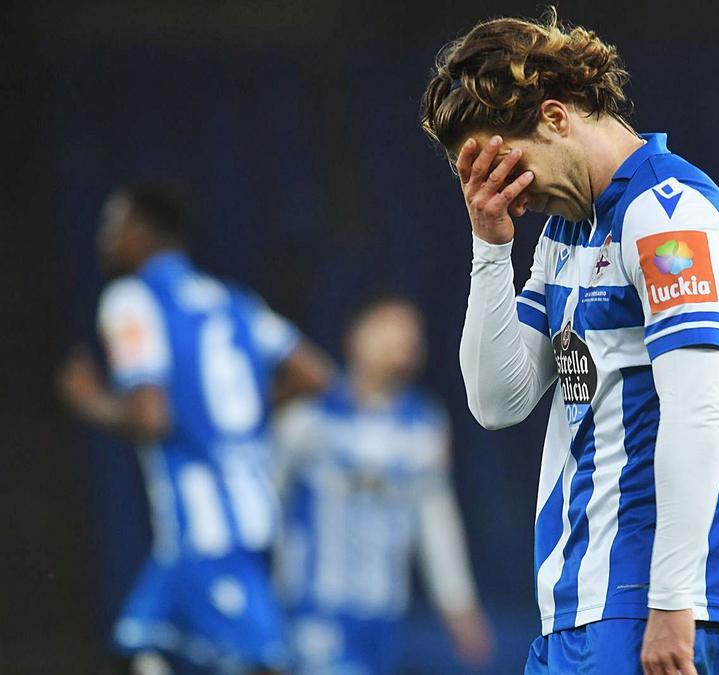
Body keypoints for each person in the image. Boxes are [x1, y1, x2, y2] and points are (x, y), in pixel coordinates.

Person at [419, 10, 719, 675]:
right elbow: (498, 399)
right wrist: (490, 248)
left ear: (555, 117)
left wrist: (671, 601)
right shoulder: (567, 234)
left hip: (649, 602)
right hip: (579, 598)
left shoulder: (667, 215)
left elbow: (697, 411)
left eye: (511, 165)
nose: (515, 190)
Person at [59, 184, 333, 674]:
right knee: (141, 651)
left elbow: (150, 415)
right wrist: (243, 414)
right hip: (242, 514)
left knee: (260, 665)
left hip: (206, 530)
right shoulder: (233, 301)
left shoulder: (130, 299)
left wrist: (91, 401)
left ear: (141, 233)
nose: (103, 239)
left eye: (112, 225)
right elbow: (315, 373)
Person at [272, 296, 494, 674]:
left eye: (411, 334)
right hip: (315, 608)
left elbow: (435, 520)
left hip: (384, 613)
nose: (401, 341)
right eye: (388, 328)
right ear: (356, 337)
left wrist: (458, 604)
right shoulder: (308, 420)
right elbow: (263, 502)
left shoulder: (424, 425)